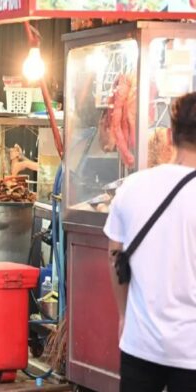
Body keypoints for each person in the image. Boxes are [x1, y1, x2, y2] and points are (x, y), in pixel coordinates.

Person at [104, 92, 196, 392]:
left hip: (139, 343)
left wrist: (123, 315)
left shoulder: (132, 187)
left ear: (170, 135)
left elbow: (115, 255)